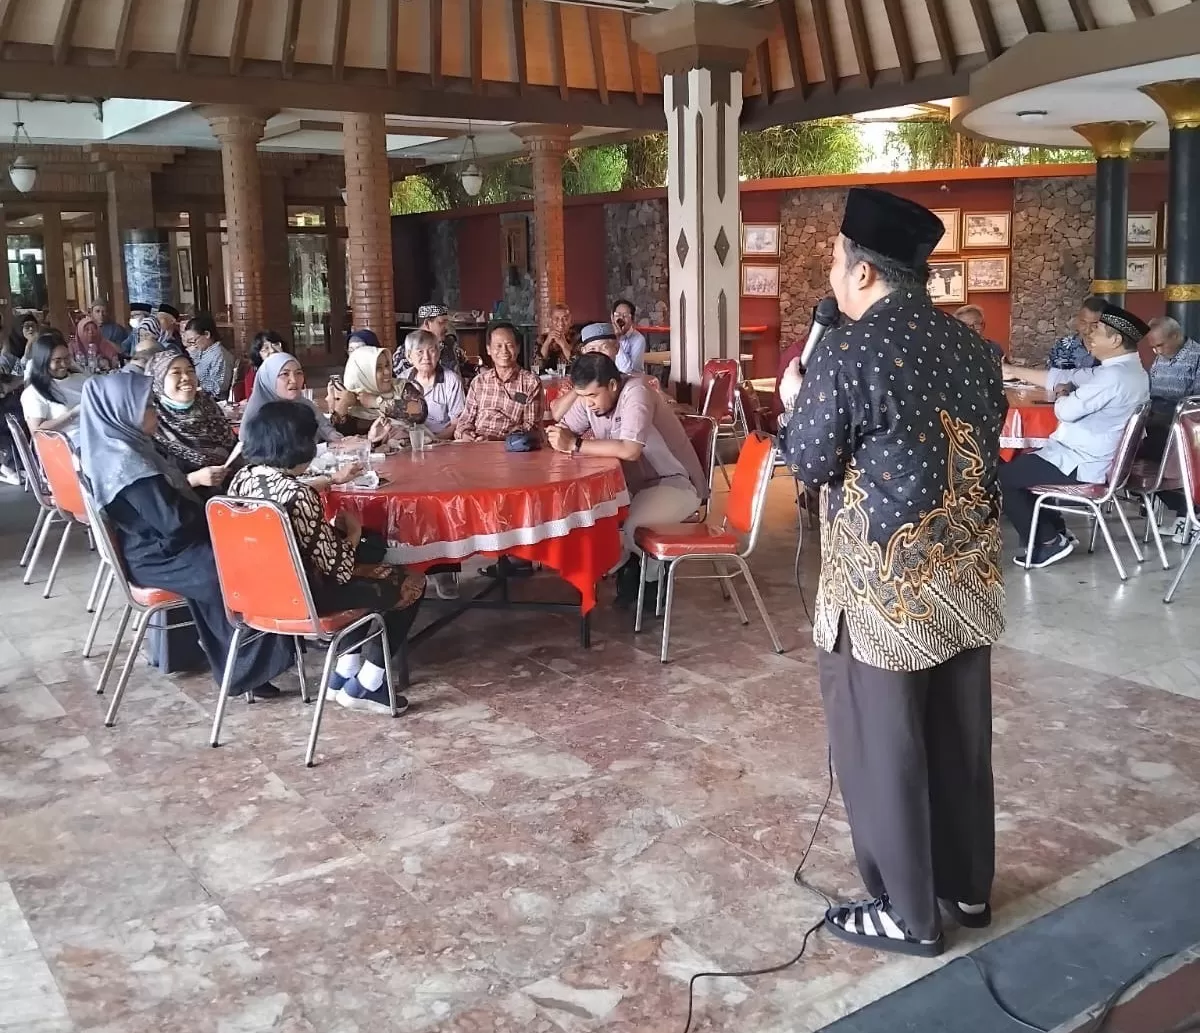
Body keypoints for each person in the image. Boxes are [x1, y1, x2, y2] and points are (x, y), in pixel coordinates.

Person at [778, 186, 1007, 957]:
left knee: (886, 747)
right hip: (966, 577)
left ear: (866, 273)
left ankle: (909, 911)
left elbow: (806, 459)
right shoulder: (975, 348)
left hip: (884, 592)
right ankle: (968, 888)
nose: (834, 276)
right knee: (958, 735)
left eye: (838, 262)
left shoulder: (847, 351)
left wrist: (792, 400)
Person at [78, 374, 291, 698]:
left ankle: (248, 659)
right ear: (123, 411)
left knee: (236, 554)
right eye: (148, 406)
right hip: (157, 554)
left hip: (159, 544)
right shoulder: (127, 466)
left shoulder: (126, 447)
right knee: (235, 567)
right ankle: (245, 668)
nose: (155, 413)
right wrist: (221, 517)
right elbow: (174, 522)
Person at [230, 400, 426, 715]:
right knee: (408, 581)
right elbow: (342, 569)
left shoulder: (245, 478)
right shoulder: (301, 498)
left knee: (369, 564)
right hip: (305, 598)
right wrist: (352, 531)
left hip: (257, 596)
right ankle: (370, 683)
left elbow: (289, 494)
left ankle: (344, 672)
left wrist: (329, 487)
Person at [549, 352, 709, 607]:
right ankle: (632, 569)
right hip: (636, 489)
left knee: (632, 527)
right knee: (595, 522)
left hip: (678, 484)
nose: (588, 404)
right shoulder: (590, 399)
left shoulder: (636, 393)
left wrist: (576, 444)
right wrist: (560, 437)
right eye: (582, 397)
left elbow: (630, 450)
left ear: (612, 385)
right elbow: (566, 428)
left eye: (592, 396)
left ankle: (652, 583)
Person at [1000, 304, 1151, 568]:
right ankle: (1057, 532)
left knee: (1003, 478)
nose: (1089, 335)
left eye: (1097, 331)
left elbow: (1065, 411)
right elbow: (1067, 376)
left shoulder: (1113, 377)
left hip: (1082, 463)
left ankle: (1048, 542)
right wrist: (1013, 372)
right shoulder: (1127, 371)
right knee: (1022, 465)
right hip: (1087, 456)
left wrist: (1062, 393)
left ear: (1115, 340)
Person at [1139, 316, 1200, 540]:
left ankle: (1190, 513)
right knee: (1124, 450)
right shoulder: (1162, 357)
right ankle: (1183, 510)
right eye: (1152, 346)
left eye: (1160, 345)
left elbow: (1195, 404)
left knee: (1153, 455)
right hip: (1155, 419)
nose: (1156, 351)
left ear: (1176, 336)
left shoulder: (1197, 357)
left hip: (1182, 425)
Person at [147, 348, 237, 475]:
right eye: (176, 373)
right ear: (158, 380)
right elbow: (155, 480)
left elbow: (232, 447)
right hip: (185, 493)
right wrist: (193, 480)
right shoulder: (152, 420)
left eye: (190, 371)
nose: (186, 377)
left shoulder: (207, 404)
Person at [455, 322, 542, 442]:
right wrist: (466, 434)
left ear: (518, 348)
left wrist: (494, 439)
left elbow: (532, 428)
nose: (504, 351)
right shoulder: (479, 382)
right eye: (498, 346)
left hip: (509, 447)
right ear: (489, 350)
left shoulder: (531, 383)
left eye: (509, 345)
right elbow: (464, 422)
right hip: (475, 445)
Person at [335, 344, 416, 441]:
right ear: (363, 372)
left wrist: (377, 402)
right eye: (378, 368)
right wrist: (341, 406)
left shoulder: (400, 387)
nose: (387, 372)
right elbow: (337, 438)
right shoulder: (349, 399)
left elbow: (419, 413)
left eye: (387, 365)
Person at [398, 329, 466, 439]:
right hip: (410, 441)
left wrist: (434, 441)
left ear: (438, 353)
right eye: (420, 351)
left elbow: (456, 423)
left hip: (442, 441)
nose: (426, 357)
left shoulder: (451, 380)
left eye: (431, 350)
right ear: (409, 356)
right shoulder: (402, 380)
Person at [21, 330, 88, 435]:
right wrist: (72, 414)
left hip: (95, 436)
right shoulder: (33, 393)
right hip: (67, 444)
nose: (64, 364)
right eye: (57, 360)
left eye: (67, 358)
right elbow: (37, 432)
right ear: (44, 361)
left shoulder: (81, 379)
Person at [1046, 296, 1104, 370]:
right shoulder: (1062, 347)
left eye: (1094, 324)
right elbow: (1050, 377)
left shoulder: (1112, 351)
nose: (1088, 330)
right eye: (1083, 322)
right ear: (1077, 320)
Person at [185, 314, 234, 399]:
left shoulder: (219, 355)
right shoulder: (201, 351)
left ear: (207, 334)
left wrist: (195, 387)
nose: (193, 345)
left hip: (213, 400)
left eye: (194, 341)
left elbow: (219, 386)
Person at [237, 329, 288, 402]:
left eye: (276, 345)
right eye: (266, 348)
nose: (272, 350)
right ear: (258, 354)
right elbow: (253, 400)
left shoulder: (292, 369)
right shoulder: (253, 374)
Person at [535, 303, 579, 373]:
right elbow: (536, 366)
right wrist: (547, 342)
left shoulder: (577, 338)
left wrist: (563, 344)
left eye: (565, 319)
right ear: (551, 321)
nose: (561, 323)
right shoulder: (542, 339)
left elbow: (579, 365)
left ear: (570, 321)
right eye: (556, 319)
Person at [611, 299, 647, 374]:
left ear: (632, 319)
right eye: (617, 315)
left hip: (632, 381)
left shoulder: (638, 339)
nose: (621, 318)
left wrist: (617, 339)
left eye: (625, 315)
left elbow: (626, 371)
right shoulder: (608, 336)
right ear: (612, 318)